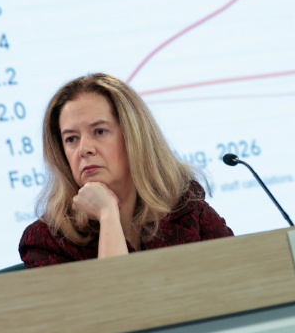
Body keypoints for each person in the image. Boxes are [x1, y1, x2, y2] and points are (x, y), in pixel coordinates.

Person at [19, 73, 233, 267]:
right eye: (71, 139)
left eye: (99, 131)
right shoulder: (48, 242)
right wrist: (107, 214)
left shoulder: (187, 211)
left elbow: (239, 278)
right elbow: (118, 297)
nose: (84, 149)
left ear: (133, 137)